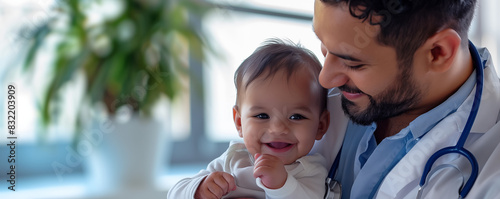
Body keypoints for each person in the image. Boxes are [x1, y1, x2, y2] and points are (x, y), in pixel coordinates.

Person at [310, 0, 500, 198]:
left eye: (353, 64)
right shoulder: (299, 96)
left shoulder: (493, 175)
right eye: (323, 44)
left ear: (438, 52)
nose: (325, 79)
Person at [167, 38, 331, 199]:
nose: (277, 128)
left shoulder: (310, 171)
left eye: (296, 116)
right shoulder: (234, 158)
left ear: (320, 126)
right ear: (239, 122)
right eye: (262, 116)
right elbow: (174, 193)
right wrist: (200, 189)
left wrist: (281, 184)